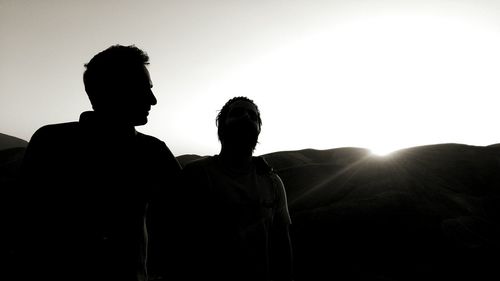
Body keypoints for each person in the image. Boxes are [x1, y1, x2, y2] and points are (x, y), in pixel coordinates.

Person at [19, 44, 181, 281]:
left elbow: (188, 216)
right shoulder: (51, 144)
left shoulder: (154, 152)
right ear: (114, 90)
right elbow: (26, 225)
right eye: (144, 88)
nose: (153, 99)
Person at [180, 96, 294, 281]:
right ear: (221, 126)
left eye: (253, 115)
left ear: (259, 129)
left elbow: (282, 242)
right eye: (237, 113)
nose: (246, 117)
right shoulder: (196, 175)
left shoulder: (272, 182)